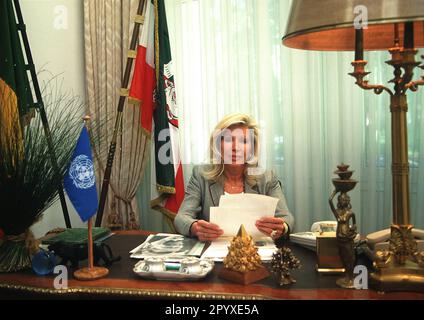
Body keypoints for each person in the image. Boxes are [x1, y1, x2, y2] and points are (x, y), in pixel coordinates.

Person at [174, 113, 294, 242]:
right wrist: (195, 228)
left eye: (244, 141)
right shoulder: (200, 175)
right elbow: (181, 218)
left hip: (255, 253)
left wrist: (283, 227)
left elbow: (287, 218)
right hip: (213, 252)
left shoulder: (267, 177)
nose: (235, 148)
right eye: (228, 140)